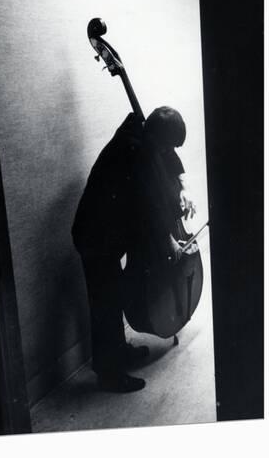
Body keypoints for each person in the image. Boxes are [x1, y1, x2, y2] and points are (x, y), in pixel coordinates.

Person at [72, 106, 196, 393]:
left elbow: (166, 156)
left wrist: (182, 183)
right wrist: (167, 239)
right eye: (167, 145)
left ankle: (118, 351)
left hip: (111, 229)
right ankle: (109, 374)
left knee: (112, 294)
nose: (169, 151)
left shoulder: (144, 129)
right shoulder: (134, 150)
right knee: (106, 302)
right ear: (157, 137)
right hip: (95, 234)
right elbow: (148, 202)